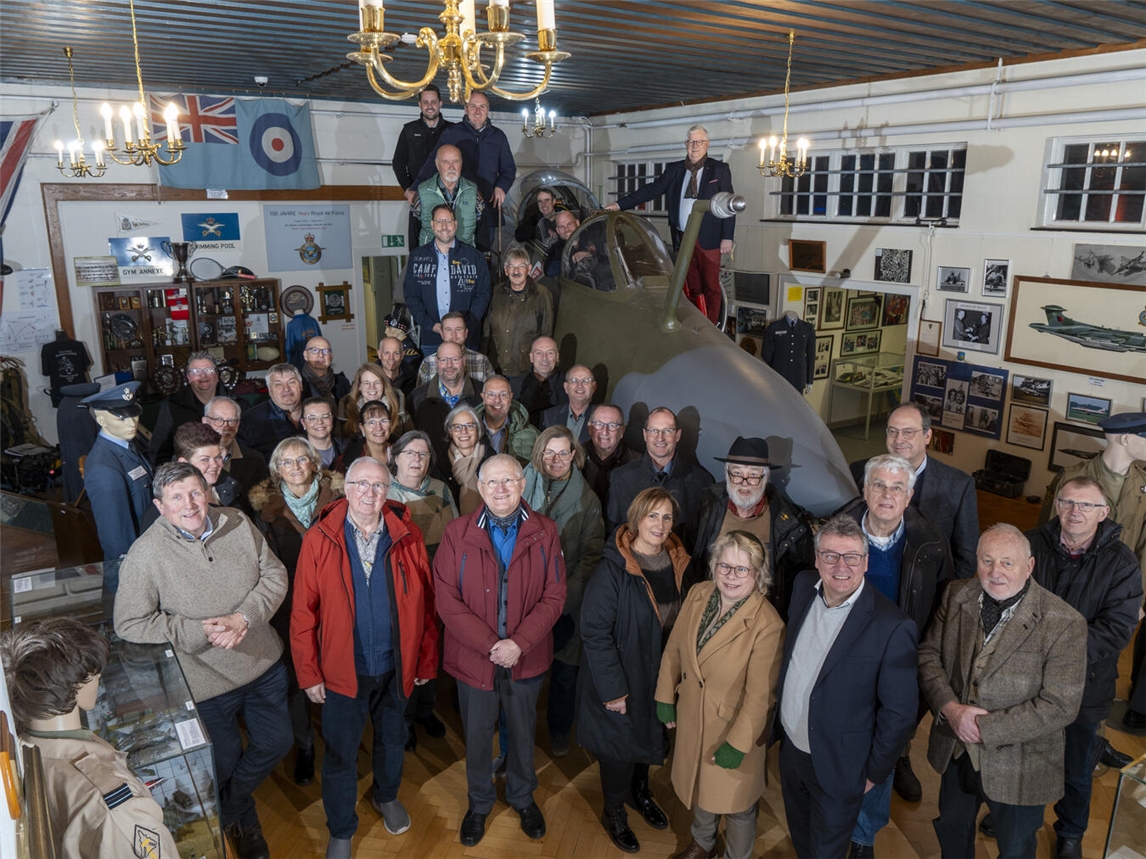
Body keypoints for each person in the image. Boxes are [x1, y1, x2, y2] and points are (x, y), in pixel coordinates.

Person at [115, 461, 291, 859]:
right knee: (223, 759)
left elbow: (275, 575)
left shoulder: (236, 521)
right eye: (176, 498)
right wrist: (200, 630)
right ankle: (243, 820)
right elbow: (129, 622)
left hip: (263, 664)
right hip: (205, 680)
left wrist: (244, 617)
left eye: (195, 492)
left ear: (207, 492)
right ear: (161, 506)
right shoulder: (146, 555)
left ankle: (229, 808)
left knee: (277, 742)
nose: (190, 504)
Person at [292, 456, 440, 859]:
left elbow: (426, 606)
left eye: (378, 486)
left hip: (395, 666)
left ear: (387, 491)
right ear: (346, 487)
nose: (369, 494)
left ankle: (386, 795)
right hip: (343, 670)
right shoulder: (320, 538)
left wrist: (424, 661)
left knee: (392, 740)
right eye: (361, 484)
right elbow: (303, 613)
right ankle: (341, 827)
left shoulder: (406, 534)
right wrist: (309, 673)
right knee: (340, 752)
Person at [919, 524, 1087, 859]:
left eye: (1007, 563)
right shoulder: (956, 594)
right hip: (956, 747)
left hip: (1021, 762)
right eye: (987, 560)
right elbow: (928, 656)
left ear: (1029, 567)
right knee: (951, 830)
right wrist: (952, 710)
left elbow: (1059, 706)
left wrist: (983, 727)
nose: (995, 573)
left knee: (1016, 849)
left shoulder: (1064, 622)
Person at [433, 454, 566, 847]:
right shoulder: (457, 532)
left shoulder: (546, 531)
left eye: (508, 481)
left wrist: (519, 643)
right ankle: (479, 804)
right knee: (476, 737)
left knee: (523, 733)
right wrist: (493, 646)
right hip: (474, 658)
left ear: (523, 485)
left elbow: (555, 595)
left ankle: (523, 797)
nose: (500, 489)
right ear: (480, 486)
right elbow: (446, 599)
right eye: (491, 482)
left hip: (527, 657)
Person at [774, 515, 918, 859]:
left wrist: (872, 774)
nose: (841, 566)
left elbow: (899, 714)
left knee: (828, 852)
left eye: (851, 556)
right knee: (802, 840)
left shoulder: (892, 626)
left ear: (865, 562)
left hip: (841, 766)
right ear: (816, 558)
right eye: (830, 555)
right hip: (793, 752)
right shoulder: (802, 586)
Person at [837, 454, 954, 856]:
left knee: (882, 749)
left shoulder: (931, 543)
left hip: (896, 667)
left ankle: (863, 837)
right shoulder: (837, 534)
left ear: (910, 494)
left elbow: (942, 608)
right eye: (879, 486)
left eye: (897, 488)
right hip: (841, 663)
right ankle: (832, 823)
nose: (887, 495)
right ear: (865, 490)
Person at [1026, 477, 1141, 859]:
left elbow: (1115, 630)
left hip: (1085, 684)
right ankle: (1017, 816)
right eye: (1068, 502)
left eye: (1086, 505)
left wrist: (1054, 653)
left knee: (1075, 768)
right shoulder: (1030, 544)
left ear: (1103, 513)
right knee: (1020, 756)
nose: (1076, 512)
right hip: (1023, 678)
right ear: (1057, 505)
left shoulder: (1122, 562)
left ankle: (1071, 832)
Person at [0, 617, 181, 859]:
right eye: (94, 674)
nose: (98, 679)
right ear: (77, 683)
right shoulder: (116, 809)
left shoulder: (21, 747)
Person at [655, 531, 785, 859]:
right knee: (701, 787)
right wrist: (665, 696)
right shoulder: (699, 593)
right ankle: (703, 842)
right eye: (725, 566)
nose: (731, 576)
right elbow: (674, 648)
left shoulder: (767, 623)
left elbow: (760, 697)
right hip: (693, 716)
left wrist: (738, 744)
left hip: (732, 728)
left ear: (758, 574)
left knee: (738, 805)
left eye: (742, 569)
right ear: (714, 566)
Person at [579, 487, 690, 853]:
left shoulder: (680, 563)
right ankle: (614, 810)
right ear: (636, 519)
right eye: (652, 516)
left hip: (662, 675)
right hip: (624, 677)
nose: (660, 525)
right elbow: (594, 632)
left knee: (649, 736)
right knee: (619, 749)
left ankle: (639, 793)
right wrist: (613, 690)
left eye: (667, 517)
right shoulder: (614, 568)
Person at [249, 437, 344, 788]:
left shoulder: (339, 501)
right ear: (277, 470)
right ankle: (305, 746)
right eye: (286, 462)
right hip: (289, 604)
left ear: (315, 463)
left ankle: (339, 744)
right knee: (297, 677)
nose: (295, 467)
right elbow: (263, 565)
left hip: (337, 600)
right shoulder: (264, 511)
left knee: (337, 669)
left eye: (302, 459)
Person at [522, 426, 605, 756]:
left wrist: (560, 601)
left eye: (563, 453)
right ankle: (519, 734)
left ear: (574, 456)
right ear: (540, 453)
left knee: (565, 674)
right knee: (524, 675)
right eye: (549, 452)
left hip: (565, 603)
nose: (556, 460)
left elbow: (590, 558)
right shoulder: (520, 486)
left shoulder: (588, 501)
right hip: (523, 600)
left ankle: (558, 729)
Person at [605, 125, 735, 324]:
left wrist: (728, 237)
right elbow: (651, 190)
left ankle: (712, 325)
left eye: (699, 141)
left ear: (707, 144)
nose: (694, 146)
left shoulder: (719, 169)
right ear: (685, 144)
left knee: (711, 285)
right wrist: (618, 205)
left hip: (709, 238)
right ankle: (696, 321)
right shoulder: (675, 169)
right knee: (690, 284)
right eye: (691, 141)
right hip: (683, 237)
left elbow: (729, 204)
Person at [850, 402, 980, 578]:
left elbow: (967, 558)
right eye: (893, 431)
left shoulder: (958, 485)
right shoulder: (860, 471)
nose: (898, 440)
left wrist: (943, 597)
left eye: (908, 432)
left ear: (927, 436)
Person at [690, 436, 814, 620]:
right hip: (708, 613)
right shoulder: (705, 505)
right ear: (727, 474)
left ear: (766, 477)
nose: (744, 482)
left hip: (759, 619)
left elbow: (800, 584)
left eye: (754, 475)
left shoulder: (791, 524)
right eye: (737, 473)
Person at [387, 430, 456, 750]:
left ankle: (426, 711)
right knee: (407, 652)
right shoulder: (385, 494)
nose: (417, 459)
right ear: (395, 457)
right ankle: (404, 720)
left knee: (432, 648)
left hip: (437, 584)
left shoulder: (440, 489)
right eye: (410, 453)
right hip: (402, 589)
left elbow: (454, 537)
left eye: (423, 454)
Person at [416, 91, 516, 251]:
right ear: (465, 109)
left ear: (488, 109)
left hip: (488, 209)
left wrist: (501, 187)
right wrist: (414, 188)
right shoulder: (451, 133)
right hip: (458, 210)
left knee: (483, 256)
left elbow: (509, 169)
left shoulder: (499, 137)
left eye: (482, 106)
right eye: (473, 106)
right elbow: (433, 163)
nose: (477, 111)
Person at [80, 381, 154, 594]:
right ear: (101, 418)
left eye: (133, 414)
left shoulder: (127, 445)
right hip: (134, 571)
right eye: (121, 417)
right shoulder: (105, 469)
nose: (131, 422)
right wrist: (135, 581)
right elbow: (117, 539)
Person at [607, 406, 715, 547]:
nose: (660, 437)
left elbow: (702, 543)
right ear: (645, 435)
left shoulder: (702, 482)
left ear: (678, 435)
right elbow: (613, 536)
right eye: (654, 431)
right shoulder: (621, 479)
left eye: (667, 431)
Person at [403, 204, 492, 355]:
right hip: (432, 339)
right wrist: (431, 325)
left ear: (456, 224)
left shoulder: (474, 257)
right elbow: (411, 296)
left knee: (469, 379)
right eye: (439, 221)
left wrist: (463, 327)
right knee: (432, 379)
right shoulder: (417, 257)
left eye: (449, 221)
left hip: (466, 339)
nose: (444, 226)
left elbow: (483, 294)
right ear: (432, 224)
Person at [393, 84, 452, 250]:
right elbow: (398, 162)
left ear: (440, 103)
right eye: (425, 102)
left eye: (433, 102)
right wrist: (407, 189)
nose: (430, 106)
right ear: (419, 104)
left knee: (448, 237)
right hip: (419, 197)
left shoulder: (452, 130)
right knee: (418, 241)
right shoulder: (409, 130)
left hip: (447, 196)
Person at [483, 243, 555, 377]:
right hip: (496, 367)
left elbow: (546, 333)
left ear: (529, 269)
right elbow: (487, 329)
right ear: (506, 270)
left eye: (521, 266)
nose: (516, 271)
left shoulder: (542, 295)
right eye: (512, 266)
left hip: (524, 370)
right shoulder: (496, 292)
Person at [148, 351, 227, 464]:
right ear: (188, 377)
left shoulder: (234, 403)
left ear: (217, 376)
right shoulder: (172, 407)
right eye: (196, 371)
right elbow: (158, 452)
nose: (203, 375)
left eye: (208, 370)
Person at [410, 340, 482, 463]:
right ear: (437, 362)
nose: (449, 365)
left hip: (473, 467)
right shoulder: (417, 397)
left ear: (464, 361)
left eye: (455, 359)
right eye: (443, 360)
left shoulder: (483, 394)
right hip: (433, 469)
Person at [416, 143, 481, 247]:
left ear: (461, 164)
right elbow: (414, 226)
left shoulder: (473, 190)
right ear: (437, 165)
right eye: (446, 162)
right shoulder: (422, 191)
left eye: (456, 161)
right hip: (431, 255)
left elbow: (481, 225)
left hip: (465, 254)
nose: (451, 167)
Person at [204, 395, 270, 496]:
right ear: (205, 422)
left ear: (238, 425)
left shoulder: (255, 460)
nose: (225, 426)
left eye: (231, 421)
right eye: (218, 420)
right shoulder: (190, 459)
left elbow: (263, 504)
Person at [239, 363, 306, 460]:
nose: (286, 389)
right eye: (278, 384)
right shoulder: (250, 421)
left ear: (301, 386)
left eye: (291, 382)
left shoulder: (316, 412)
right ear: (270, 391)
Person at [173, 421, 244, 509]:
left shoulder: (232, 489)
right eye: (205, 460)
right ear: (184, 463)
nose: (214, 465)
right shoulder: (175, 508)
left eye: (218, 457)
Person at [415, 311, 496, 385]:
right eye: (448, 330)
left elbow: (493, 392)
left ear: (466, 333)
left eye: (458, 329)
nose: (454, 335)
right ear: (442, 334)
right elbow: (419, 396)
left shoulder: (481, 361)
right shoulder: (428, 362)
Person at [583, 402, 639, 507]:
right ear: (590, 428)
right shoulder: (574, 458)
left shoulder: (637, 464)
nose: (605, 432)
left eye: (612, 425)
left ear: (622, 431)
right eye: (599, 424)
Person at [442, 402, 493, 515]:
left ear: (478, 429)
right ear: (450, 432)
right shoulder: (440, 463)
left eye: (470, 426)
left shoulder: (493, 462)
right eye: (457, 427)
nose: (463, 431)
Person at [476, 374, 538, 464]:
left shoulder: (531, 434)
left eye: (503, 394)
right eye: (491, 394)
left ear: (511, 396)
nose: (497, 400)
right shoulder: (468, 432)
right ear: (483, 397)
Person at [339, 362, 407, 441]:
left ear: (384, 385)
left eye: (377, 382)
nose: (372, 387)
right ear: (359, 386)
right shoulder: (346, 411)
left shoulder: (399, 410)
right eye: (366, 383)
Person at [510, 336, 567, 427]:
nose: (544, 358)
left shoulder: (568, 386)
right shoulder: (516, 384)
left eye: (550, 353)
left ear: (557, 357)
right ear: (531, 357)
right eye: (539, 353)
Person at [335, 399, 396, 472]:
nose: (379, 428)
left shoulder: (402, 450)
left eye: (383, 421)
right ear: (362, 428)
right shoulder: (349, 459)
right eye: (371, 422)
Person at [542, 364, 596, 445]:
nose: (580, 385)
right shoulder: (549, 416)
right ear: (566, 387)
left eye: (585, 381)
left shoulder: (602, 418)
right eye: (574, 380)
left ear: (593, 387)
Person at [300, 337, 351, 407]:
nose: (321, 355)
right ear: (305, 355)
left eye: (326, 351)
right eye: (315, 350)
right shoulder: (298, 384)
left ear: (331, 357)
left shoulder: (342, 383)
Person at [300, 396, 346, 470]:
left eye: (325, 416)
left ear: (332, 419)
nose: (320, 422)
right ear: (303, 423)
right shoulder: (295, 452)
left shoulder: (347, 448)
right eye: (312, 418)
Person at [377, 333, 420, 399]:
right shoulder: (368, 375)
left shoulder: (412, 375)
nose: (391, 358)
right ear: (379, 354)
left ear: (402, 355)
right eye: (387, 353)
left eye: (396, 353)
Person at [545, 210, 580, 277]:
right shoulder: (556, 249)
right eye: (561, 227)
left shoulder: (590, 239)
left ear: (577, 223)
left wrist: (589, 254)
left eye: (569, 224)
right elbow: (549, 271)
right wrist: (572, 260)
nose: (566, 229)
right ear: (557, 231)